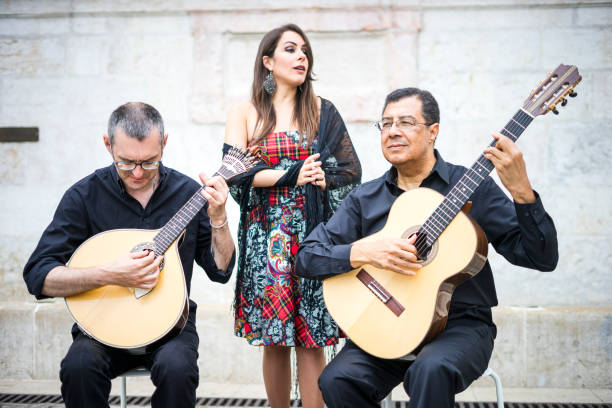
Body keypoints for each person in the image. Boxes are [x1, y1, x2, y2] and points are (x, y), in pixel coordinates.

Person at [295, 87, 559, 407]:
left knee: (430, 370)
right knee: (336, 379)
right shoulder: (365, 198)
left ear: (433, 131)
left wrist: (522, 194)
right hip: (385, 324)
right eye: (386, 123)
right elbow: (306, 257)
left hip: (459, 328)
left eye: (406, 122)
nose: (393, 131)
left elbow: (541, 258)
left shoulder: (472, 186)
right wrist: (365, 251)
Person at [23, 102, 236, 408]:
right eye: (126, 162)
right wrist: (108, 274)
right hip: (103, 326)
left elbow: (221, 270)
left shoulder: (189, 194)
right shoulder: (84, 196)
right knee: (78, 368)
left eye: (149, 162)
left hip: (172, 326)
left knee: (178, 369)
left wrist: (219, 218)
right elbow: (37, 276)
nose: (137, 172)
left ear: (164, 144)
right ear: (108, 144)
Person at [223, 23, 361, 408]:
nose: (301, 56)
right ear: (267, 62)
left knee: (311, 339)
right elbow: (233, 173)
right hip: (267, 240)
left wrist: (321, 178)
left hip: (313, 237)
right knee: (274, 340)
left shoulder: (321, 110)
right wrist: (294, 174)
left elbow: (350, 171)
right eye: (290, 49)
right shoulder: (246, 111)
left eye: (304, 50)